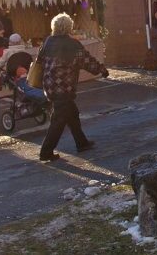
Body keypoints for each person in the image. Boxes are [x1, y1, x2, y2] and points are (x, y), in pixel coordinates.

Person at [38, 13, 108, 161]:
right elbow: (87, 61)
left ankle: (82, 142)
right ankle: (46, 152)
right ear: (69, 27)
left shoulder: (48, 41)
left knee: (72, 113)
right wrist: (102, 70)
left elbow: (39, 61)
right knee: (58, 120)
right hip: (64, 87)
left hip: (49, 85)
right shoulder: (72, 44)